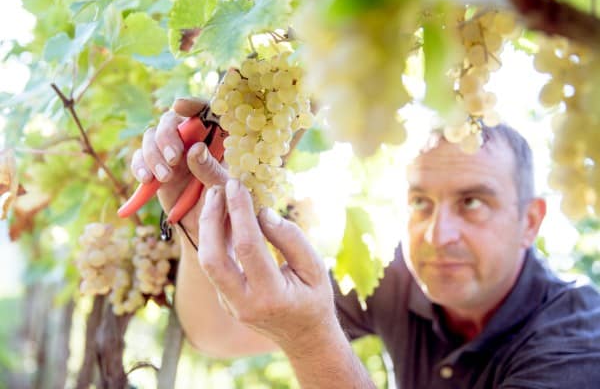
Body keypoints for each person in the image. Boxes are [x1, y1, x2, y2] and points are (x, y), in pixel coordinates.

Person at [131, 98, 600, 388]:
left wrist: (311, 339)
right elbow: (217, 335)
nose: (438, 235)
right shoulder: (398, 282)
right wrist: (196, 217)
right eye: (420, 202)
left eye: (473, 202)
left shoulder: (579, 343)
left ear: (530, 221)